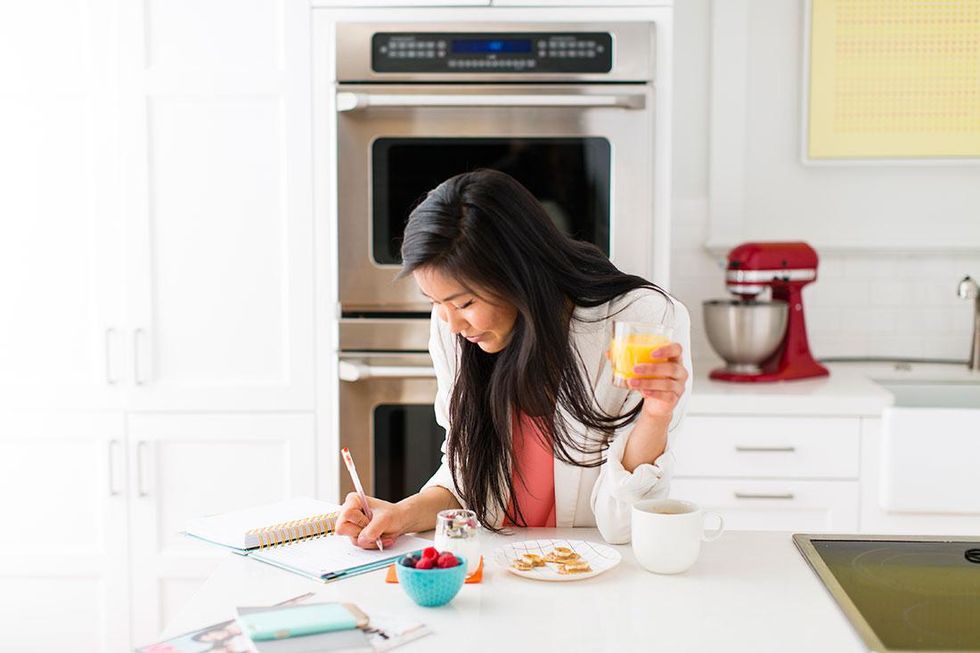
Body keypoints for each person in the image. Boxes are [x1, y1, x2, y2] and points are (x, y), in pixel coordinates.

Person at [335, 169, 692, 545]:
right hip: (500, 567)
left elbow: (622, 527)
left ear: (518, 275)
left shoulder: (641, 321)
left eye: (465, 303)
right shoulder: (454, 329)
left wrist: (655, 416)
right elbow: (468, 483)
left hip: (590, 572)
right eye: (436, 303)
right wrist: (402, 513)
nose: (451, 323)